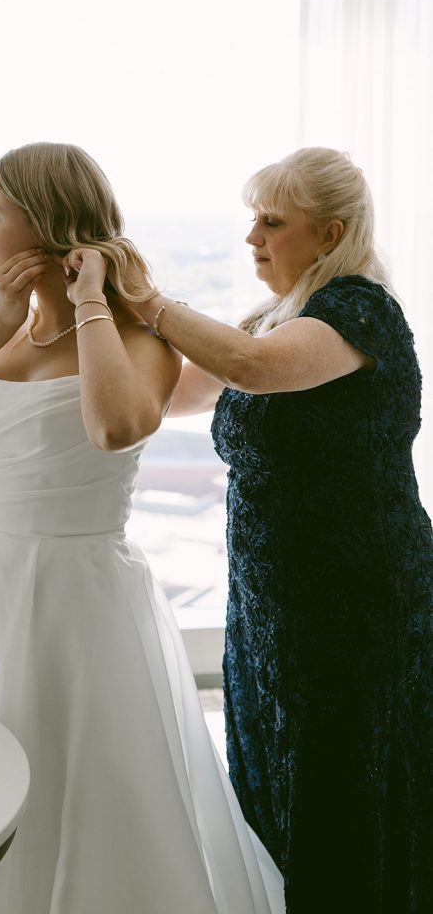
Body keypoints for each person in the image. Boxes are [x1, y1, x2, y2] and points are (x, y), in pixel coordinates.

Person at [0, 142, 284, 914]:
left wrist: (93, 300)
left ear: (43, 228)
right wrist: (1, 316)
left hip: (84, 590)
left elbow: (115, 426)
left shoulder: (139, 341)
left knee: (90, 777)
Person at [125, 147, 433, 914]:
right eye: (250, 219)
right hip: (274, 603)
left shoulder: (357, 310)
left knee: (338, 779)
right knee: (275, 767)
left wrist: (152, 302)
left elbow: (253, 370)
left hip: (354, 601)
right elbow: (180, 395)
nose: (251, 238)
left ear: (328, 235)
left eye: (270, 222)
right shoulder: (271, 317)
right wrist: (92, 318)